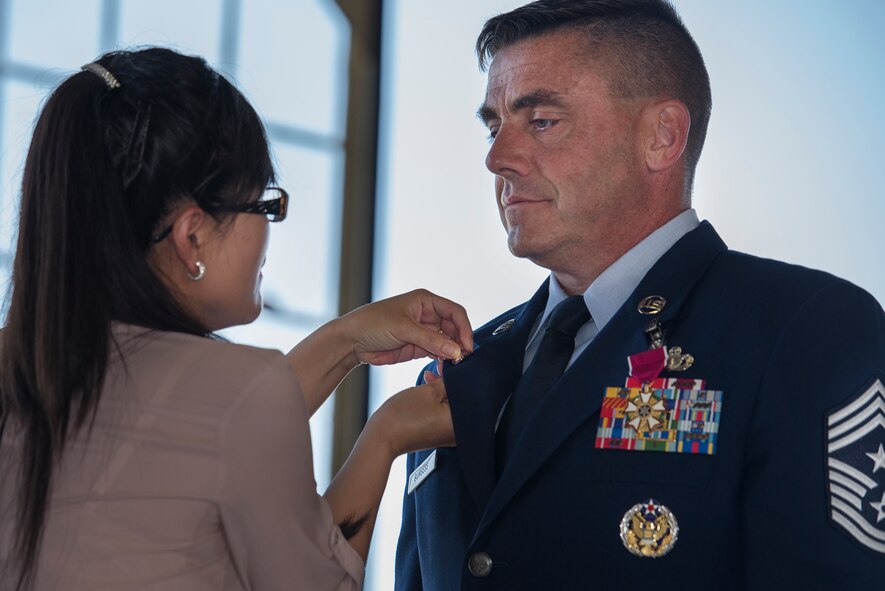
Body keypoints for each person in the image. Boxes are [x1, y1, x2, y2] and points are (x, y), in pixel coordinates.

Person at [395, 1, 885, 589]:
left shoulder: (802, 330)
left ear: (662, 136)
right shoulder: (460, 366)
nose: (497, 158)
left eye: (542, 121)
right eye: (494, 125)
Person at [0, 47, 474, 590]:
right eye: (265, 206)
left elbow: (183, 430)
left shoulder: (23, 362)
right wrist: (386, 435)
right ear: (192, 234)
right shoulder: (242, 391)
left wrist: (348, 341)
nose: (272, 229)